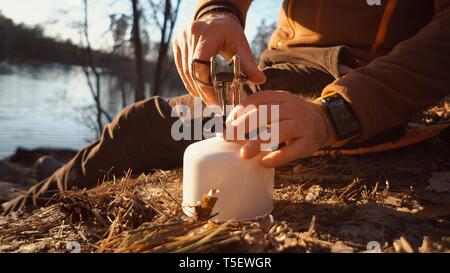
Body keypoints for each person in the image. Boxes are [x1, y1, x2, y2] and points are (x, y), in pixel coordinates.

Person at [2, 0, 449, 214]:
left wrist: (338, 114)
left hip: (356, 74)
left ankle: (17, 211)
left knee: (137, 126)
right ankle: (67, 175)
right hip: (275, 63)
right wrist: (220, 12)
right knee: (128, 136)